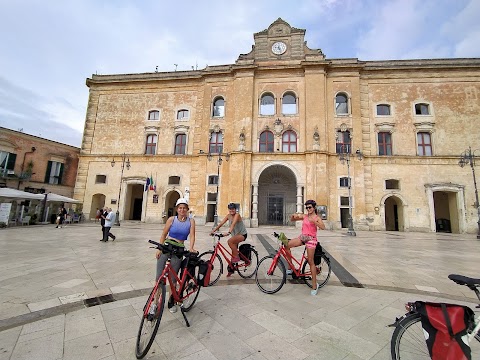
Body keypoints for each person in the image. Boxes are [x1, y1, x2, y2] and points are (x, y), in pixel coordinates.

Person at [156, 198, 197, 313]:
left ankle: (170, 302)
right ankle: (155, 304)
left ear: (187, 209)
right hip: (167, 247)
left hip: (179, 249)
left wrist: (191, 247)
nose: (182, 210)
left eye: (184, 208)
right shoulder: (171, 219)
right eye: (180, 208)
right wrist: (159, 248)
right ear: (177, 209)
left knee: (173, 280)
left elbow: (192, 235)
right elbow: (164, 234)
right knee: (159, 278)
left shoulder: (191, 221)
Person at [287, 199, 326, 296]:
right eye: (307, 207)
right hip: (303, 237)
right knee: (286, 245)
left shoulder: (316, 217)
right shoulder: (305, 216)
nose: (308, 209)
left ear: (314, 208)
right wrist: (293, 216)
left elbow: (323, 227)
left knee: (310, 261)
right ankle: (290, 268)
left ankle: (314, 286)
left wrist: (314, 222)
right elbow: (293, 220)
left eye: (310, 207)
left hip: (311, 240)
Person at [209, 203, 248, 277]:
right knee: (232, 255)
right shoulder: (228, 216)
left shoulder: (237, 215)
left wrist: (229, 232)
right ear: (228, 209)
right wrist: (213, 231)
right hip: (235, 236)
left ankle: (237, 257)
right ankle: (231, 269)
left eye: (233, 209)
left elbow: (233, 224)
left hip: (242, 235)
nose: (231, 210)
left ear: (235, 209)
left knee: (230, 241)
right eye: (230, 209)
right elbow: (221, 224)